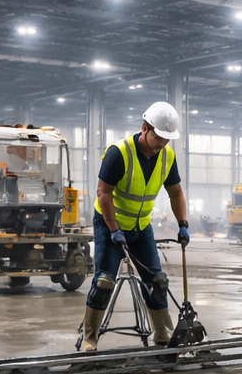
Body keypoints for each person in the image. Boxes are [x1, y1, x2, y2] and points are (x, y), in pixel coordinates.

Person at [80, 101, 190, 352]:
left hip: (141, 229)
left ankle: (162, 334)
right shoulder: (119, 153)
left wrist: (182, 224)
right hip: (110, 226)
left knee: (158, 282)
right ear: (145, 128)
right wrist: (113, 228)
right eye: (160, 136)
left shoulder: (167, 156)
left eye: (168, 139)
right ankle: (90, 338)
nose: (163, 143)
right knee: (104, 283)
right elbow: (103, 193)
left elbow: (176, 193)